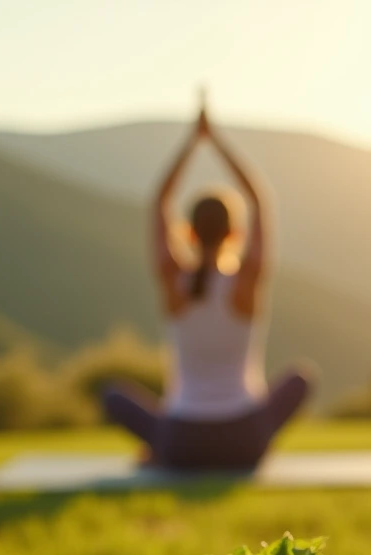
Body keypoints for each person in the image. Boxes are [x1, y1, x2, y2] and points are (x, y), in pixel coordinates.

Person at [103, 105, 311, 470]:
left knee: (113, 395)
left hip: (182, 443)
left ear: (188, 232)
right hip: (247, 440)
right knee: (301, 379)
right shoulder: (246, 283)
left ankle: (158, 453)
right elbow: (259, 200)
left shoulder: (173, 282)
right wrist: (216, 141)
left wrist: (191, 142)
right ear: (235, 233)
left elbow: (159, 202)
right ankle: (237, 446)